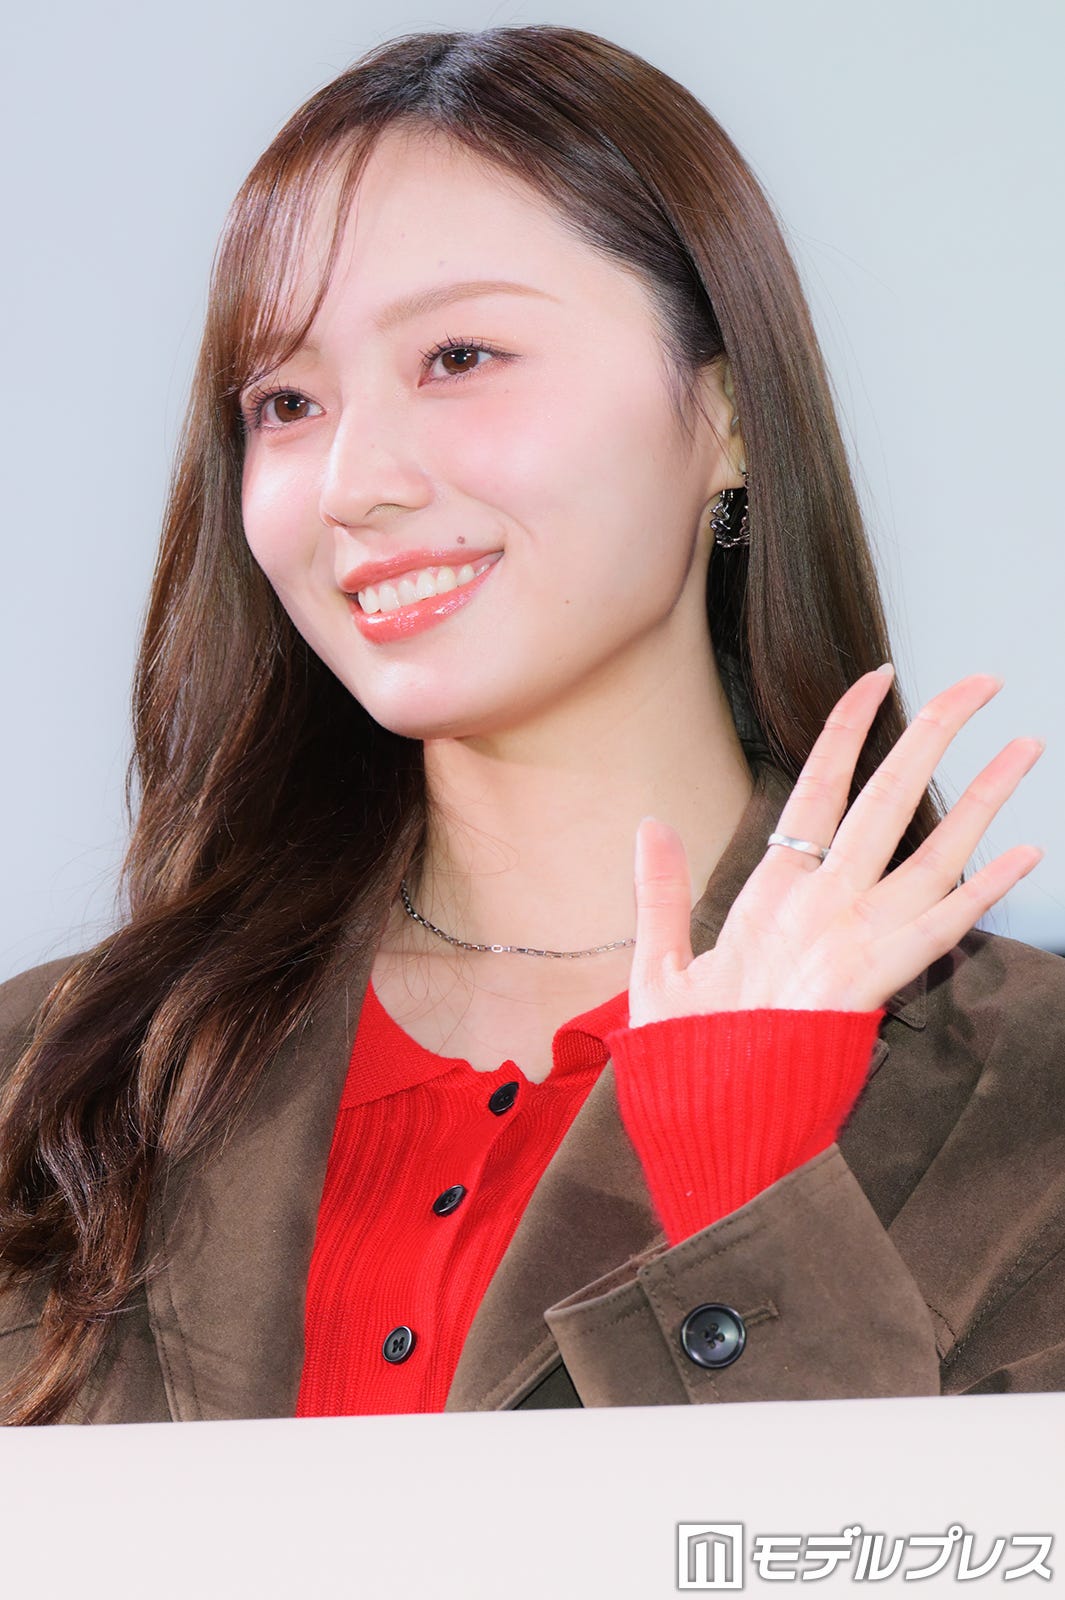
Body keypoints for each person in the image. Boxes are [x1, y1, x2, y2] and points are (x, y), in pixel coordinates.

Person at [0, 23, 1060, 1427]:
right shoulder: (53, 1084)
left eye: (459, 355)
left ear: (729, 416)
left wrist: (744, 1184)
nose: (353, 482)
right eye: (286, 402)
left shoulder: (1027, 1097)